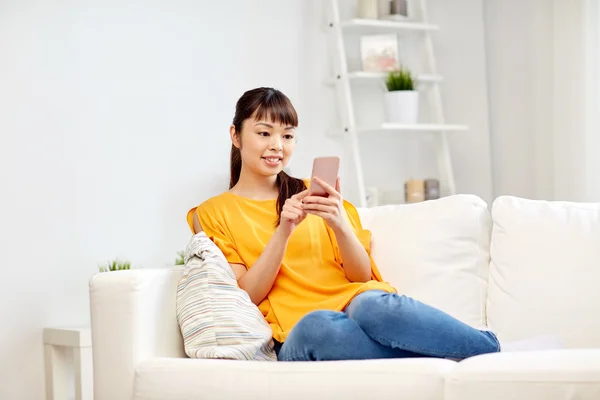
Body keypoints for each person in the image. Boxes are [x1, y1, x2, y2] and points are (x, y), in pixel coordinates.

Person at [186, 87, 561, 361]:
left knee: (371, 305)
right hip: (299, 334)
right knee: (318, 327)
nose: (277, 145)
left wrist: (338, 225)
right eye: (263, 132)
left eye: (287, 136)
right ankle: (481, 352)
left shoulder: (314, 193)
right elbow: (247, 294)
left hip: (355, 308)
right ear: (236, 135)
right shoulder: (213, 212)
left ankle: (491, 349)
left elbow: (359, 273)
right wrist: (283, 231)